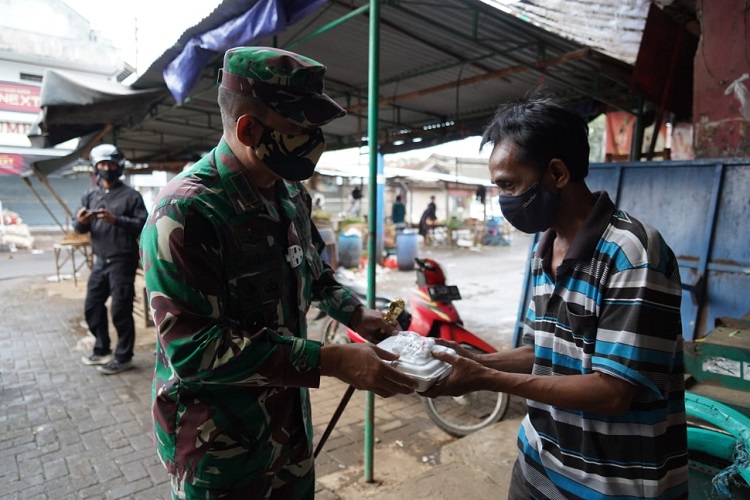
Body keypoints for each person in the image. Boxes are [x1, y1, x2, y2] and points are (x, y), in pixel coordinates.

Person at [139, 46, 417, 499]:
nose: (314, 142)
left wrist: (354, 313)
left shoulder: (290, 194)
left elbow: (312, 270)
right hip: (218, 446)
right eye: (298, 130)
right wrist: (331, 360)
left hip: (287, 427)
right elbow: (193, 350)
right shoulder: (187, 212)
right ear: (248, 129)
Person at [422, 95, 688, 499]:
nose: (504, 199)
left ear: (558, 173)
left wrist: (486, 378)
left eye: (509, 185)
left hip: (609, 487)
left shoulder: (632, 252)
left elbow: (613, 393)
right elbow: (540, 351)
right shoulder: (543, 248)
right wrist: (472, 360)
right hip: (537, 467)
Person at [74, 144, 148, 375]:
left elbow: (143, 225)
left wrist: (117, 220)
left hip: (122, 261)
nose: (107, 169)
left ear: (119, 167)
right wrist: (81, 222)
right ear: (96, 167)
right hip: (100, 261)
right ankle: (102, 349)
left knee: (120, 309)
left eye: (111, 164)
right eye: (102, 164)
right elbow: (78, 228)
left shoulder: (131, 196)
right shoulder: (90, 195)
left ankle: (124, 357)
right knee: (92, 306)